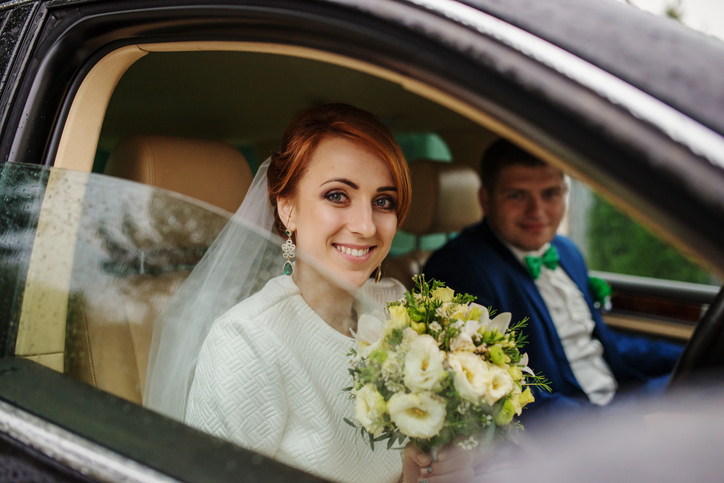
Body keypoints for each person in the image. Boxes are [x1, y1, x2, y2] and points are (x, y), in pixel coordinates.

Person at [145, 104, 480, 483]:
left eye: (383, 201)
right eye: (337, 195)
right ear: (287, 208)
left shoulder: (398, 307)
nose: (366, 225)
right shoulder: (248, 341)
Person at [423, 139, 683, 421]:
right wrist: (613, 422)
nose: (538, 211)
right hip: (573, 425)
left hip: (617, 394)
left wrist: (688, 356)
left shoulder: (567, 252)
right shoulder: (458, 268)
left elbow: (601, 342)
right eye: (517, 196)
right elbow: (497, 390)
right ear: (486, 200)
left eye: (550, 194)